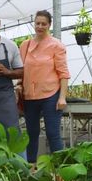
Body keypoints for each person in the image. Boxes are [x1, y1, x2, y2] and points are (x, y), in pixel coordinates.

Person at [19, 10, 71, 163]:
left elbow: (63, 73)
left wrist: (62, 97)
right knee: (32, 133)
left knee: (52, 133)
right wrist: (18, 87)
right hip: (30, 95)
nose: (40, 26)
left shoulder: (56, 45)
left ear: (49, 25)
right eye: (37, 23)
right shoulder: (25, 45)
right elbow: (21, 69)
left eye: (44, 24)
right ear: (34, 24)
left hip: (50, 94)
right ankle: (30, 168)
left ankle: (61, 170)